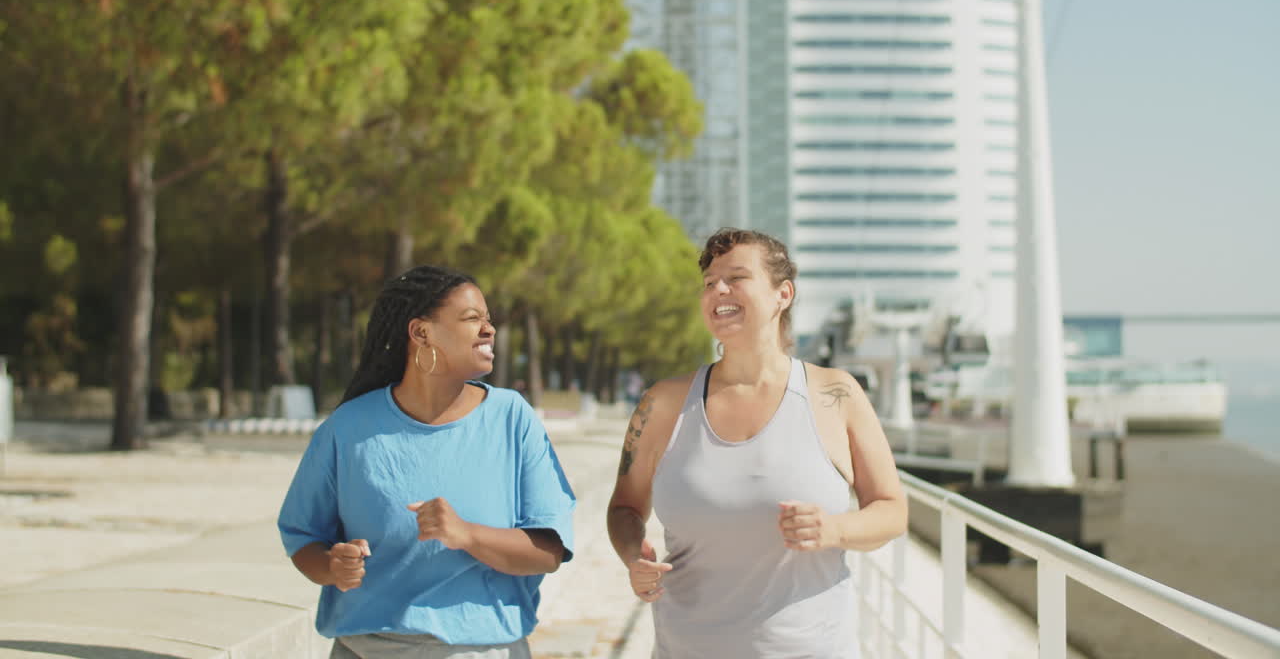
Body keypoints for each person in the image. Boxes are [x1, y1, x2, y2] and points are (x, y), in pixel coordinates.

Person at [607, 228, 908, 658]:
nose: (719, 289)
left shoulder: (834, 394)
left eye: (736, 277)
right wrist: (634, 555)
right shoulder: (663, 402)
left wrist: (836, 528)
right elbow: (624, 508)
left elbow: (892, 510)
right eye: (710, 282)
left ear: (782, 293)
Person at [278, 265, 575, 659]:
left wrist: (466, 534)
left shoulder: (511, 417)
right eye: (473, 319)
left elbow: (548, 551)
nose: (490, 330)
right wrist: (333, 566)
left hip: (481, 650)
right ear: (421, 332)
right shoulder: (347, 427)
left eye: (488, 320)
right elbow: (304, 539)